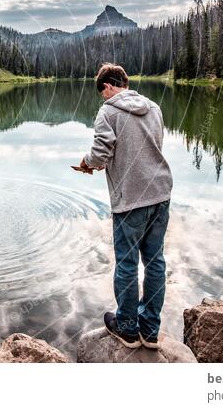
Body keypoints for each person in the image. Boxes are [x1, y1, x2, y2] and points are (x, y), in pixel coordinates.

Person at [79, 62, 173, 350]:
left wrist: (87, 164)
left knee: (127, 265)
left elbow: (100, 153)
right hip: (160, 193)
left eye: (102, 93)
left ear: (108, 86)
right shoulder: (153, 107)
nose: (103, 98)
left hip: (131, 200)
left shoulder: (108, 111)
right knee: (155, 262)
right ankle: (150, 330)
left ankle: (128, 329)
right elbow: (153, 144)